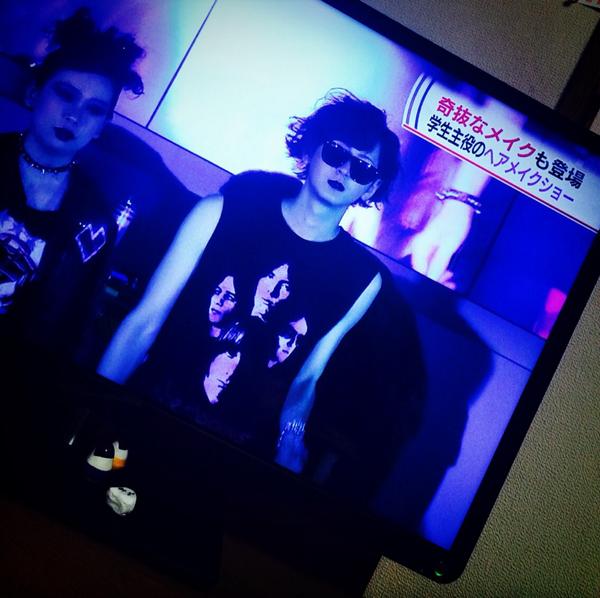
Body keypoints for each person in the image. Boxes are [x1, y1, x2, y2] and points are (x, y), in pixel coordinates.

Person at [98, 90, 424, 492]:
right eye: (336, 152)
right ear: (311, 150)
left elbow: (306, 378)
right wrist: (93, 400)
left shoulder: (363, 279)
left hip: (235, 452)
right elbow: (144, 320)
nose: (343, 170)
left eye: (361, 167)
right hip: (150, 411)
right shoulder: (220, 212)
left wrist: (291, 441)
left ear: (371, 188)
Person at [0, 8, 145, 359]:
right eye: (65, 94)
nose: (74, 115)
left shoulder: (95, 221)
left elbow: (72, 327)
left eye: (94, 109)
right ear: (33, 93)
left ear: (101, 126)